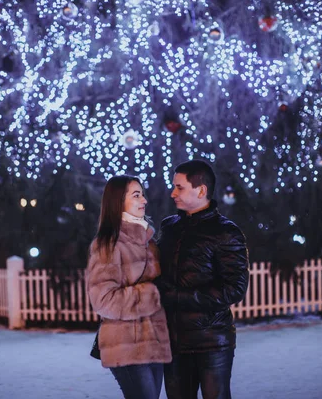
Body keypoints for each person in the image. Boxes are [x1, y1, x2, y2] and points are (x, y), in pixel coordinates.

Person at [155, 160, 250, 399]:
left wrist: (177, 297)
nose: (172, 192)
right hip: (173, 342)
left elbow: (234, 288)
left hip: (211, 342)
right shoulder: (169, 226)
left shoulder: (225, 232)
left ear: (201, 190)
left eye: (179, 187)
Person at [87, 175, 172, 399]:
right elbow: (103, 300)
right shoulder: (109, 244)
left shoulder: (147, 241)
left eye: (142, 194)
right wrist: (152, 294)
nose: (144, 200)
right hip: (126, 345)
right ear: (118, 202)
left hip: (153, 343)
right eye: (136, 195)